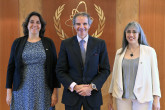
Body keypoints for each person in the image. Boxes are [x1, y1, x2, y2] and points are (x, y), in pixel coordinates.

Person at [6, 11, 61, 110]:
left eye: (38, 22)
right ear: (27, 25)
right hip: (21, 90)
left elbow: (54, 69)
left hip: (44, 90)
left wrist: (55, 93)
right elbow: (11, 68)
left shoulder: (49, 43)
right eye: (32, 22)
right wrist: (9, 92)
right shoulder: (17, 43)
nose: (35, 24)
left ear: (41, 26)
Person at [56, 12, 110, 110]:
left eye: (85, 23)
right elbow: (60, 70)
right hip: (72, 95)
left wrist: (91, 87)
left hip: (92, 95)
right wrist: (75, 87)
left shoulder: (100, 44)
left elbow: (105, 70)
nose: (81, 27)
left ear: (89, 25)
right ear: (74, 25)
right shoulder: (66, 44)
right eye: (78, 24)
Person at [108, 21, 161, 110]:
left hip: (143, 98)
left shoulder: (149, 52)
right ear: (125, 34)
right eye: (128, 31)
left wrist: (157, 99)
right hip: (122, 98)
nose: (131, 34)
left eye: (134, 32)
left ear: (139, 34)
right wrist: (110, 97)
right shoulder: (119, 53)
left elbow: (155, 76)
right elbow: (114, 77)